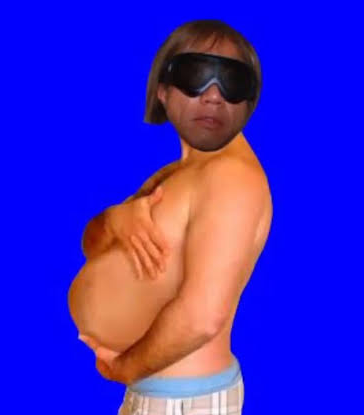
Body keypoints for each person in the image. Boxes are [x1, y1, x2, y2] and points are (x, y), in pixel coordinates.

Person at [74, 19, 272, 414]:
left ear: (249, 100)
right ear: (162, 89)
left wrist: (122, 369)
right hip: (162, 393)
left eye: (232, 81)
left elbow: (202, 316)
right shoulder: (177, 174)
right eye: (196, 74)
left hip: (184, 400)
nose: (213, 95)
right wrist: (115, 220)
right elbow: (93, 247)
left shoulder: (232, 179)